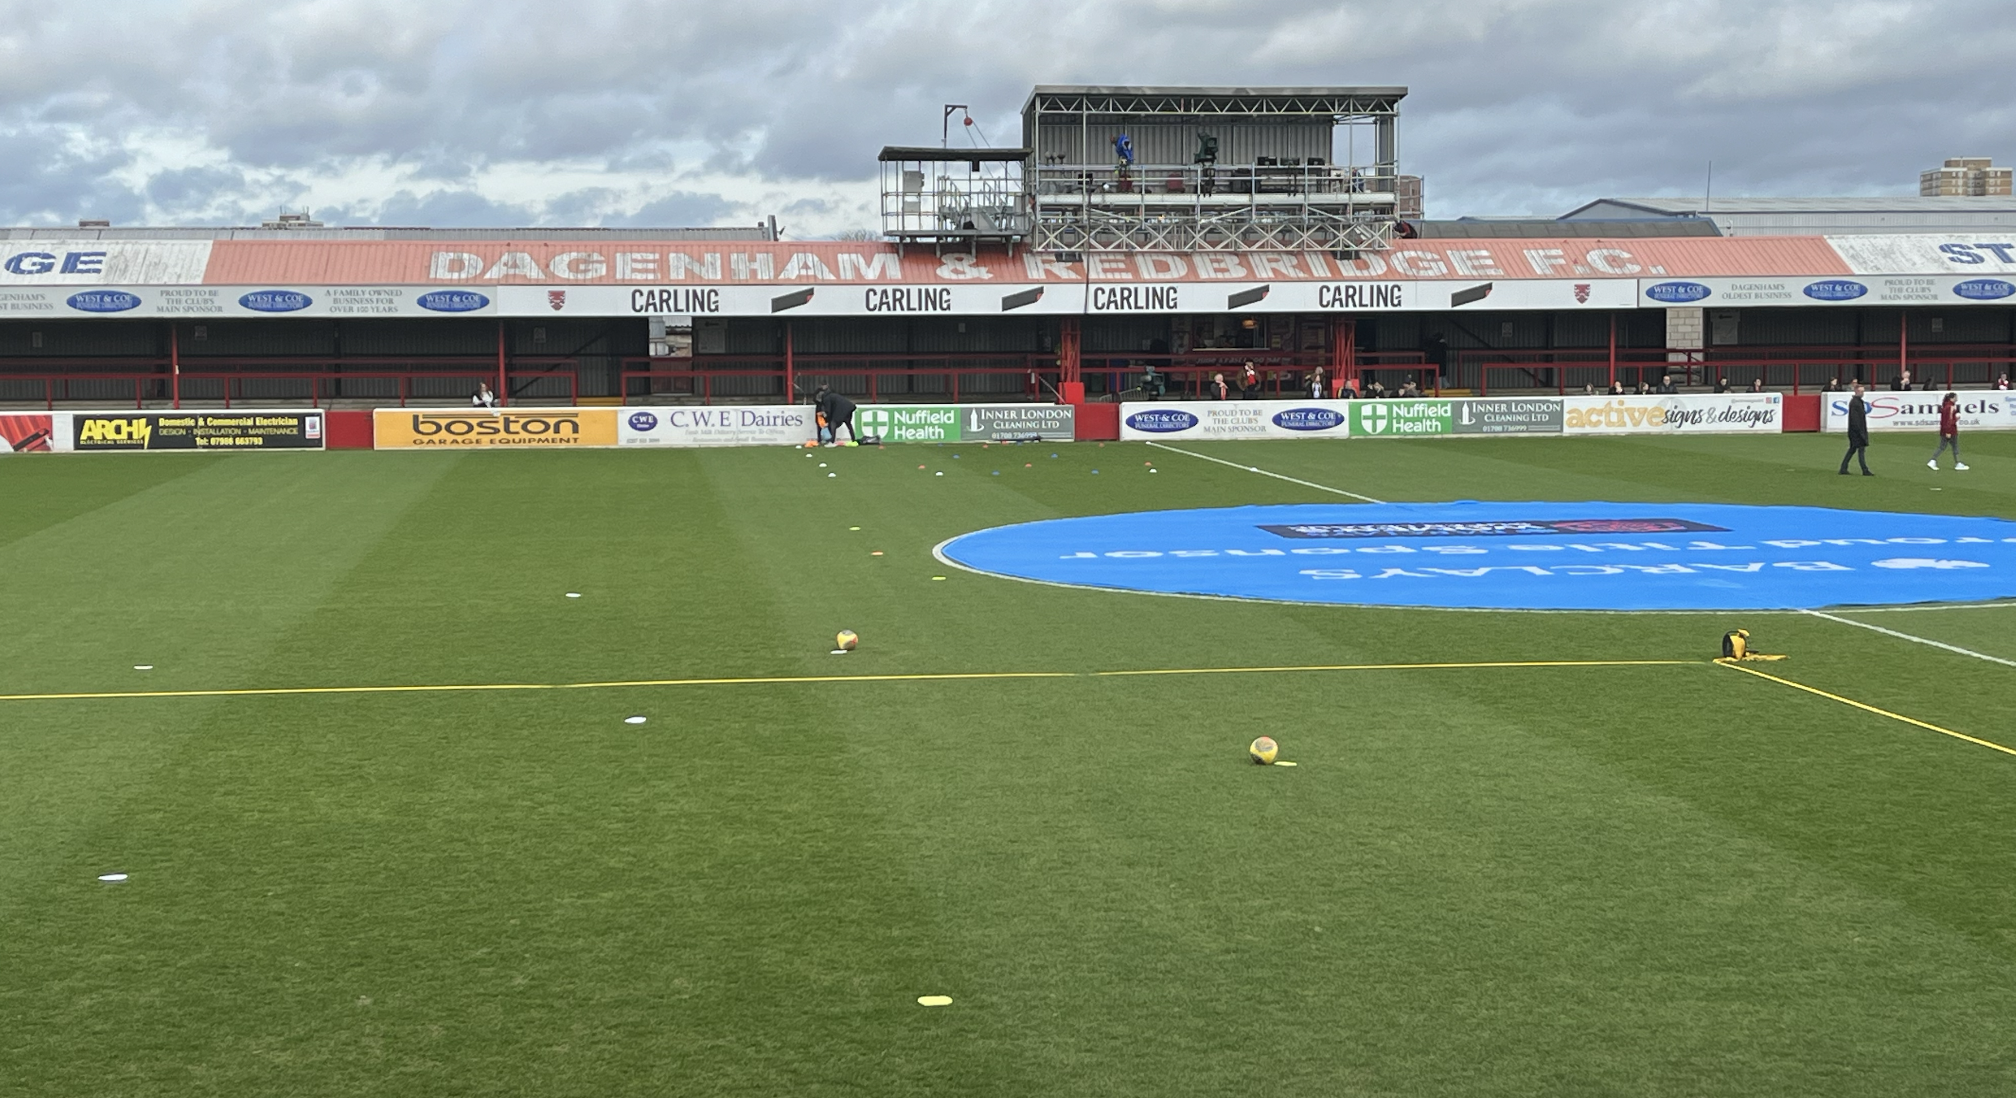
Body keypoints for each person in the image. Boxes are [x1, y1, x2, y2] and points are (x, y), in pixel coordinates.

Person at [1839, 383, 1873, 476]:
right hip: (1857, 431)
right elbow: (1855, 419)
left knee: (1853, 449)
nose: (1862, 393)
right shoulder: (1855, 403)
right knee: (1860, 450)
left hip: (1856, 430)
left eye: (1863, 391)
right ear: (1856, 391)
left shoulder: (1857, 402)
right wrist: (1860, 432)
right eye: (1861, 391)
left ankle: (1843, 467)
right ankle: (1864, 469)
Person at [1929, 391, 1967, 471]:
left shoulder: (1946, 406)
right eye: (1955, 397)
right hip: (1950, 430)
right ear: (1952, 398)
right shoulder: (1950, 407)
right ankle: (1958, 463)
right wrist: (1949, 430)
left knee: (1942, 446)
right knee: (1954, 446)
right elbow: (1949, 420)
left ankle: (1933, 460)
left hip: (1944, 430)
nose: (1957, 399)